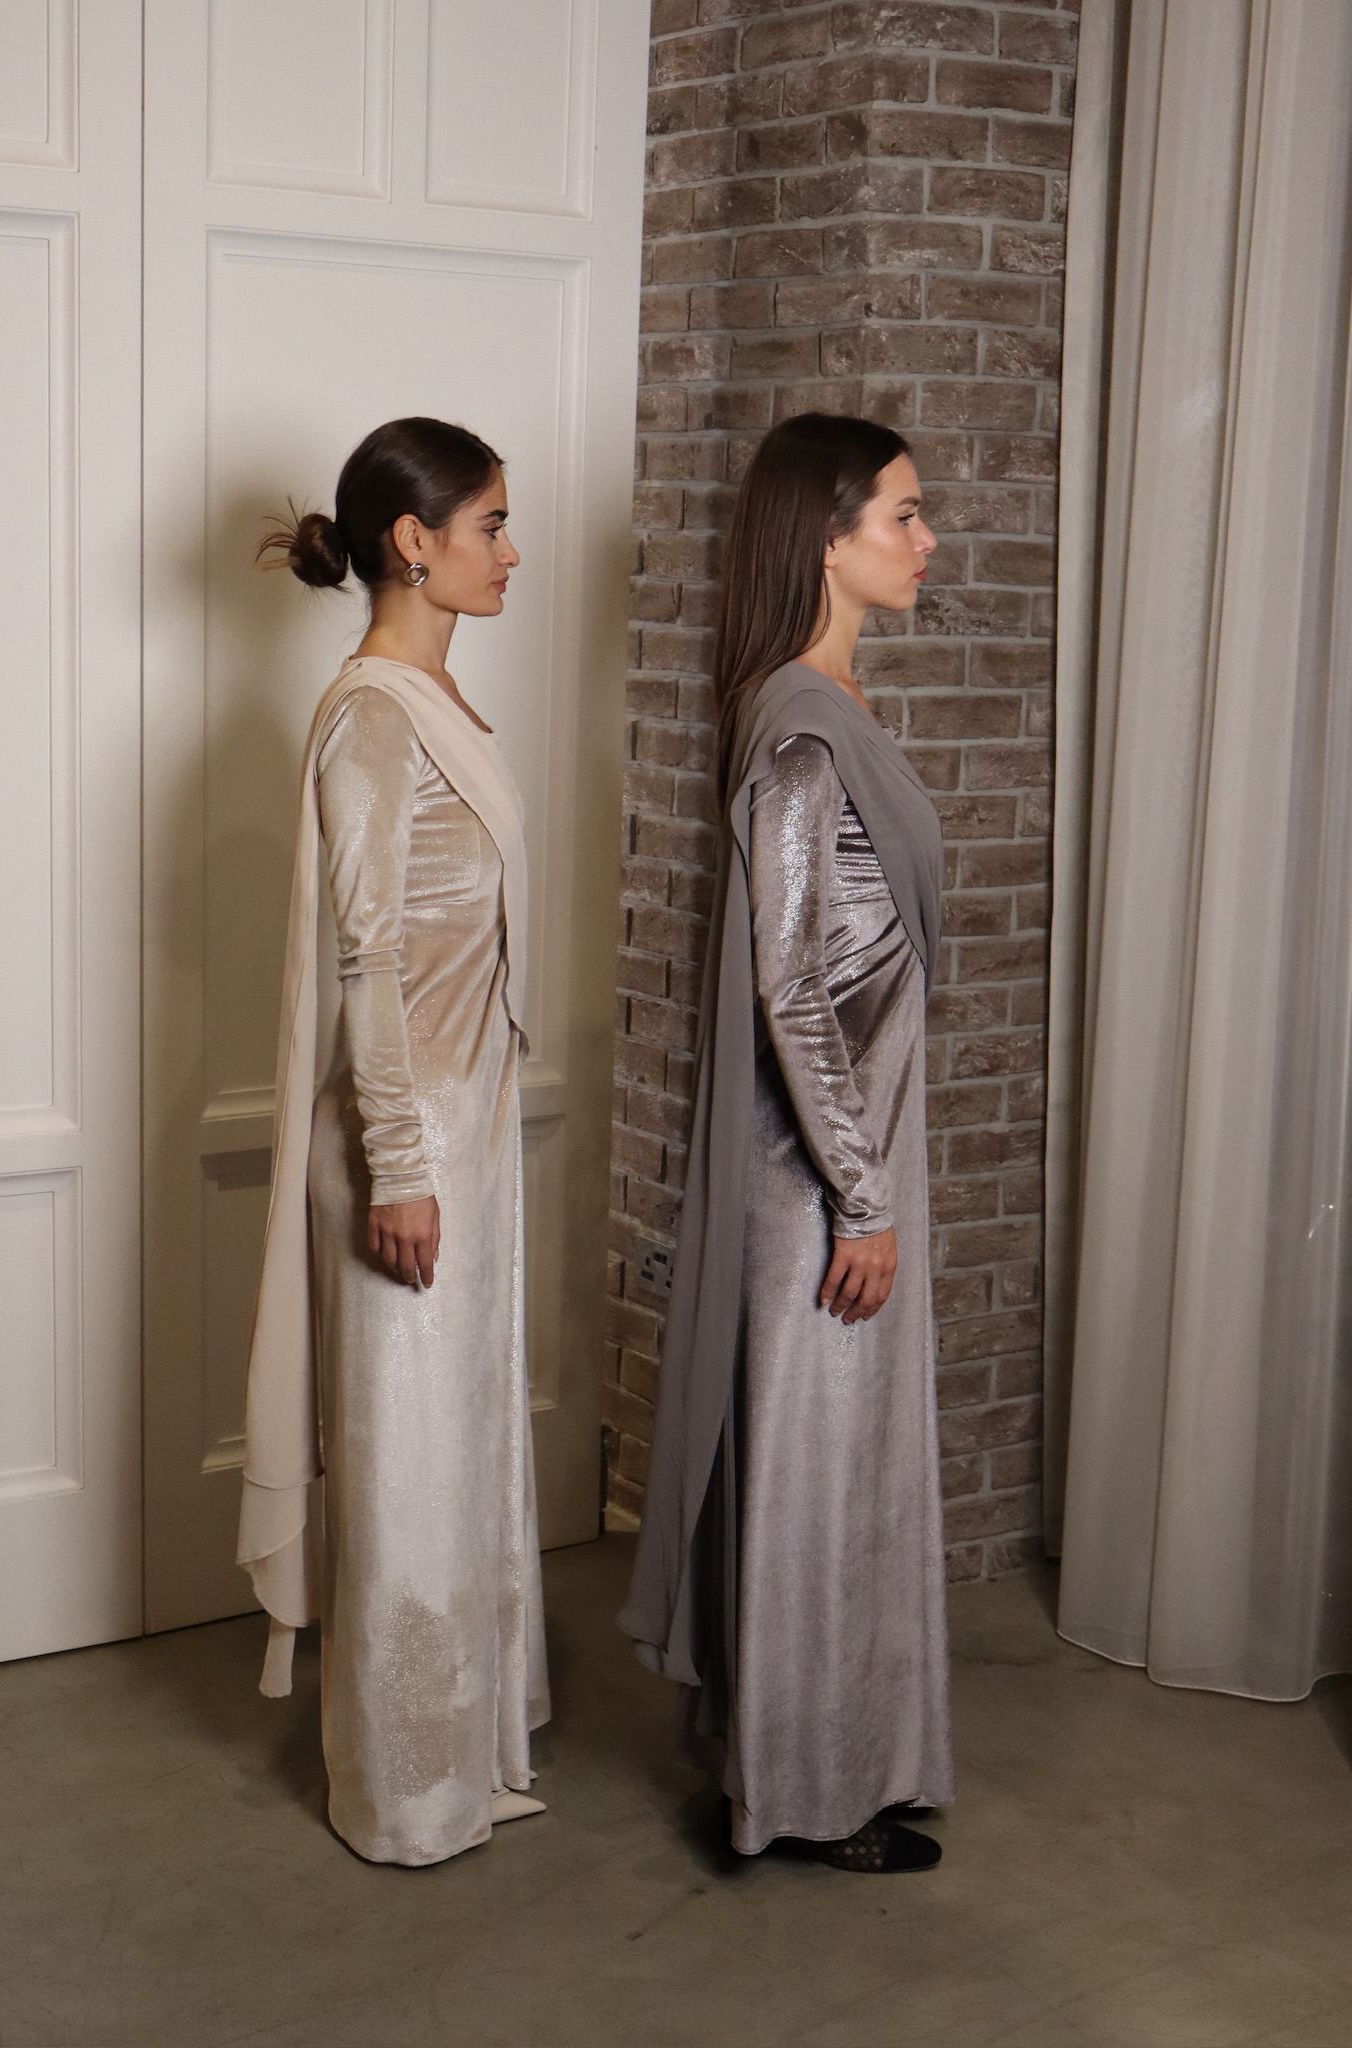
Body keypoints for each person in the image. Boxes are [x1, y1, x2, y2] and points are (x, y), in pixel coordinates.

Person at [620, 412, 956, 1873]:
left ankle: (833, 1758)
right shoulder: (804, 734)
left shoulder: (821, 707)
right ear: (826, 536)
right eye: (902, 514)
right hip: (820, 1182)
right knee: (816, 1489)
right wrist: (862, 1201)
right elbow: (792, 989)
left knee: (841, 1479)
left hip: (846, 1162)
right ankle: (803, 1795)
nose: (926, 538)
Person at [239, 416, 549, 1868]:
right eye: (490, 524)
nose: (512, 551)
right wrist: (402, 1170)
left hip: (464, 1132)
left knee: (455, 1453)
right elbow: (365, 959)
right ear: (414, 543)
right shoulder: (372, 713)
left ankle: (464, 1753)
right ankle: (407, 1795)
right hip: (403, 1143)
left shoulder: (436, 702)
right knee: (408, 1477)